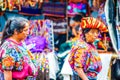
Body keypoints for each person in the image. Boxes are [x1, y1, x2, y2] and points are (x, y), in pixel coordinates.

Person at [68, 15, 108, 80]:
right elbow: (78, 68)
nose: (95, 35)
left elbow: (89, 53)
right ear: (85, 33)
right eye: (92, 32)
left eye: (97, 32)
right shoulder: (82, 47)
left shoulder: (88, 44)